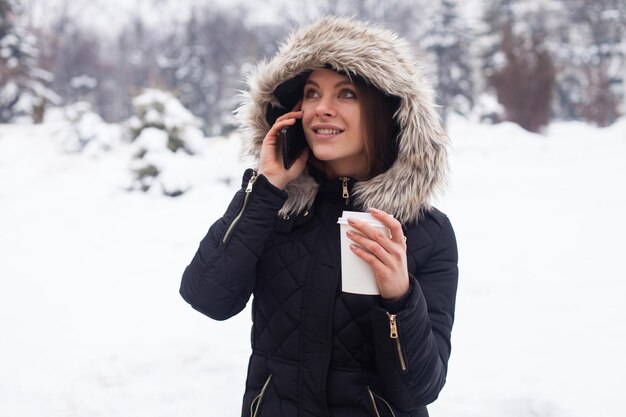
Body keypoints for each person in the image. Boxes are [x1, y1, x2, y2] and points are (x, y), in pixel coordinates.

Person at [180, 16, 458, 417]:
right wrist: (264, 188)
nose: (321, 110)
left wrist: (399, 297)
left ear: (385, 109)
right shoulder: (274, 210)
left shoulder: (427, 232)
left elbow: (420, 388)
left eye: (346, 94)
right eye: (312, 93)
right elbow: (207, 297)